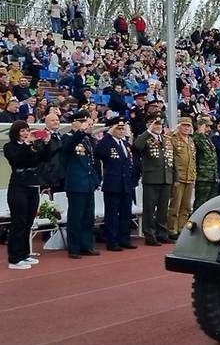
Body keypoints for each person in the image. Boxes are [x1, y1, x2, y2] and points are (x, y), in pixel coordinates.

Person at [3, 120, 52, 269]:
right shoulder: (9, 147)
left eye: (27, 130)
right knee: (19, 222)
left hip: (32, 186)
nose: (25, 133)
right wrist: (27, 145)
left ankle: (24, 254)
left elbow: (44, 158)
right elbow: (17, 160)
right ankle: (14, 258)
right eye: (22, 131)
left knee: (28, 222)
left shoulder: (32, 146)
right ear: (16, 132)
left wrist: (46, 143)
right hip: (18, 187)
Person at [61, 109, 101, 259]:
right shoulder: (68, 137)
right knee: (75, 217)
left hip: (88, 183)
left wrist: (96, 180)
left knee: (88, 217)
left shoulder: (87, 139)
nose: (86, 125)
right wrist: (81, 132)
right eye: (83, 122)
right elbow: (67, 148)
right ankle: (74, 248)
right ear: (74, 123)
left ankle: (87, 245)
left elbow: (91, 162)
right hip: (76, 184)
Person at [95, 116, 137, 251]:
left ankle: (124, 239)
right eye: (118, 128)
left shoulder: (124, 144)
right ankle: (112, 241)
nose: (121, 131)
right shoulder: (107, 142)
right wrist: (108, 134)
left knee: (126, 214)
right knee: (112, 215)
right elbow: (99, 152)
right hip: (113, 184)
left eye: (122, 128)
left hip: (126, 184)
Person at [133, 112, 174, 245]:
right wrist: (148, 131)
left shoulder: (166, 139)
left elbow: (171, 160)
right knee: (149, 208)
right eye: (155, 123)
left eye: (159, 123)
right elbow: (137, 146)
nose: (158, 126)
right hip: (151, 179)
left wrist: (175, 178)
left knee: (163, 208)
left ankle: (162, 233)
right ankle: (149, 235)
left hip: (166, 178)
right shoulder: (144, 138)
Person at [167, 117, 196, 239]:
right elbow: (170, 159)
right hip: (178, 177)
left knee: (186, 206)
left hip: (189, 176)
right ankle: (172, 229)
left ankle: (181, 228)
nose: (186, 128)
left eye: (188, 126)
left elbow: (194, 159)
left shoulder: (190, 141)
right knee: (175, 205)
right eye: (184, 125)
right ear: (179, 126)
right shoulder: (173, 140)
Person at [192, 115, 219, 210]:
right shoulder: (197, 137)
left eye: (209, 126)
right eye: (206, 126)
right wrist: (200, 131)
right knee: (200, 203)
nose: (209, 129)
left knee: (211, 204)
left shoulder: (208, 139)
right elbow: (200, 146)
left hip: (212, 176)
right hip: (203, 177)